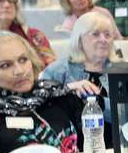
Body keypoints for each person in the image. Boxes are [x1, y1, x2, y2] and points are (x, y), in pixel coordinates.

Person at [42, 10, 117, 139]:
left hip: (116, 144)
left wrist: (101, 103)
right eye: (95, 34)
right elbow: (41, 104)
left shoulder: (122, 70)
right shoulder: (58, 70)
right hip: (70, 144)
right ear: (79, 39)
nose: (103, 40)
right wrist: (67, 89)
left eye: (107, 35)